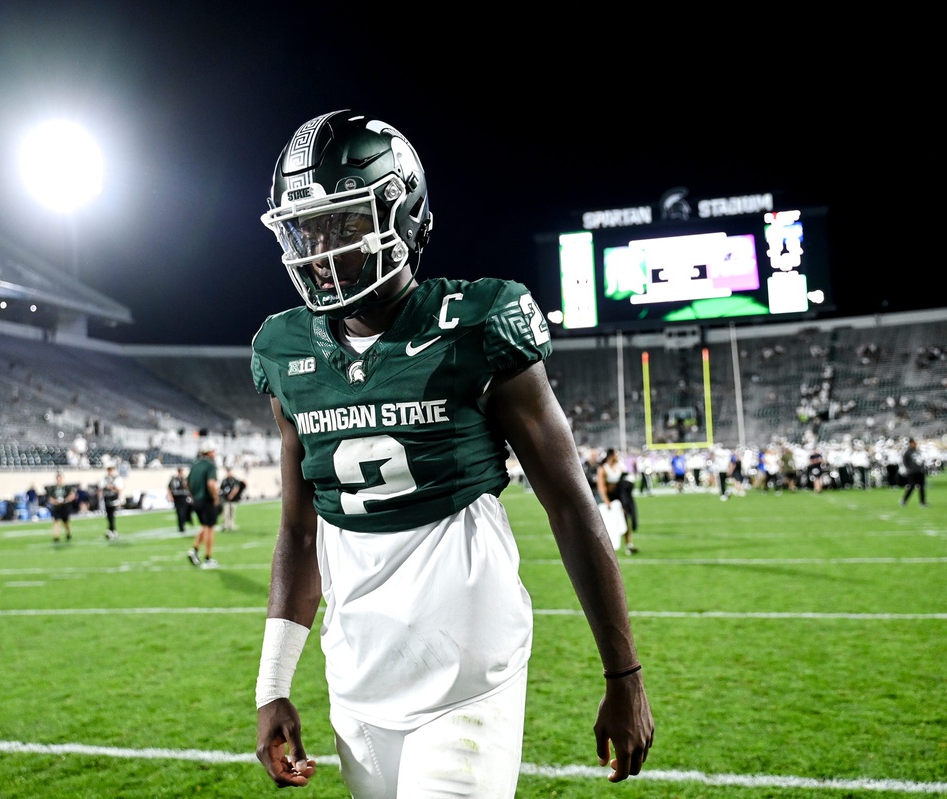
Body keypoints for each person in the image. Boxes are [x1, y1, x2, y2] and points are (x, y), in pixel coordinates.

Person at [250, 110, 653, 797]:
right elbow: (298, 527)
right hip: (355, 678)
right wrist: (273, 682)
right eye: (307, 229)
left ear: (403, 219)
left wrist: (624, 675)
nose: (320, 251)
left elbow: (569, 503)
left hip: (467, 676)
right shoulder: (285, 351)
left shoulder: (476, 324)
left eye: (343, 226)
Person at [596, 448, 638, 555]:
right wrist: (607, 502)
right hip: (610, 499)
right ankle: (605, 547)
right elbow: (601, 487)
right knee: (607, 524)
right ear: (611, 456)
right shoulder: (603, 469)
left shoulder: (619, 466)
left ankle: (629, 544)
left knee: (625, 519)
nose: (617, 456)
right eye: (615, 454)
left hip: (620, 498)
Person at [186, 445, 221, 568]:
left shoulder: (195, 464)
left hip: (196, 500)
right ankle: (208, 558)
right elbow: (211, 483)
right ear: (209, 452)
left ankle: (194, 550)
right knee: (210, 528)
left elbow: (187, 483)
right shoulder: (210, 465)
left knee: (205, 526)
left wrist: (194, 495)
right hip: (207, 499)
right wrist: (215, 497)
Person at [46, 472, 76, 543]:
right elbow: (50, 498)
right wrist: (56, 502)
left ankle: (68, 533)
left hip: (65, 507)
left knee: (66, 522)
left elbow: (72, 495)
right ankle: (56, 537)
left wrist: (65, 500)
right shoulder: (53, 488)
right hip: (57, 507)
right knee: (57, 521)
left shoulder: (67, 487)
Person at [900, 438, 928, 507]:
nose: (915, 444)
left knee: (922, 487)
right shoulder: (907, 452)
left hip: (920, 471)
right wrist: (909, 469)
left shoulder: (918, 451)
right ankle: (904, 500)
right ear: (911, 443)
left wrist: (922, 467)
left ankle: (923, 502)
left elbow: (922, 460)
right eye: (914, 443)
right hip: (912, 472)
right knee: (911, 487)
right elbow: (904, 462)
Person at [219, 467, 247, 532]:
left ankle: (230, 525)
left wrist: (231, 495)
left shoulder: (235, 480)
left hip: (233, 499)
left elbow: (236, 488)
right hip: (225, 499)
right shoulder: (224, 480)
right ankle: (224, 525)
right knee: (225, 512)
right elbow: (221, 489)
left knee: (232, 512)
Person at [101, 465, 123, 540]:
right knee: (108, 516)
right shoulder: (105, 479)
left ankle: (111, 531)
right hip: (107, 500)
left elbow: (119, 489)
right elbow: (102, 487)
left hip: (114, 500)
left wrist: (111, 487)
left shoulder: (117, 478)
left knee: (111, 516)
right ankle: (112, 531)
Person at [168, 466, 192, 533]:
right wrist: (170, 496)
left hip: (184, 496)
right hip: (177, 497)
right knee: (179, 512)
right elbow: (169, 488)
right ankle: (181, 526)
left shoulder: (183, 479)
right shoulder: (174, 479)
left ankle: (184, 523)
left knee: (184, 511)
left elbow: (187, 487)